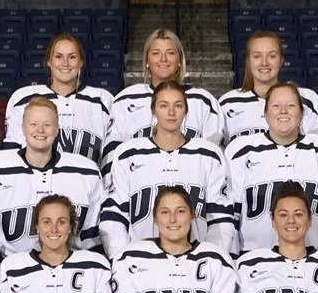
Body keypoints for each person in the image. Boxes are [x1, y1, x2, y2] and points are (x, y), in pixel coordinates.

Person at [99, 82, 235, 258]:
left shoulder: (208, 154)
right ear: (153, 110)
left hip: (196, 264)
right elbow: (114, 216)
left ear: (186, 111)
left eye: (178, 105)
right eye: (164, 105)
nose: (171, 113)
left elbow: (220, 218)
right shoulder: (128, 153)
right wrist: (123, 260)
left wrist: (210, 259)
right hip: (141, 263)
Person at [0, 97, 104, 256]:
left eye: (47, 125)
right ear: (22, 128)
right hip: (9, 271)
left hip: (68, 271)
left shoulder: (86, 172)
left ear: (57, 129)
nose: (40, 130)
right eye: (33, 124)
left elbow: (93, 241)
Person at [224, 82, 318, 255]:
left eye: (291, 105)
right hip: (253, 264)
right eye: (276, 105)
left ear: (302, 113)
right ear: (265, 113)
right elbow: (227, 215)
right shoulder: (240, 151)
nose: (283, 111)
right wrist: (234, 259)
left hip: (313, 262)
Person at [4, 33, 114, 164]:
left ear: (81, 62)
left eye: (72, 57)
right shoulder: (22, 98)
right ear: (49, 61)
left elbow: (111, 157)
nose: (65, 63)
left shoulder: (103, 101)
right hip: (33, 183)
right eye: (58, 57)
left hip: (86, 182)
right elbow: (11, 154)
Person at [108, 29, 223, 148]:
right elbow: (113, 152)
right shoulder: (125, 99)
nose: (163, 59)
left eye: (170, 53)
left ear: (180, 60)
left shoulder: (204, 101)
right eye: (156, 53)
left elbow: (214, 155)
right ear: (147, 60)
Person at [216, 32, 318, 143]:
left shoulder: (308, 99)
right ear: (248, 62)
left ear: (281, 60)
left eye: (272, 56)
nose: (264, 63)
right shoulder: (227, 103)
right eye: (257, 56)